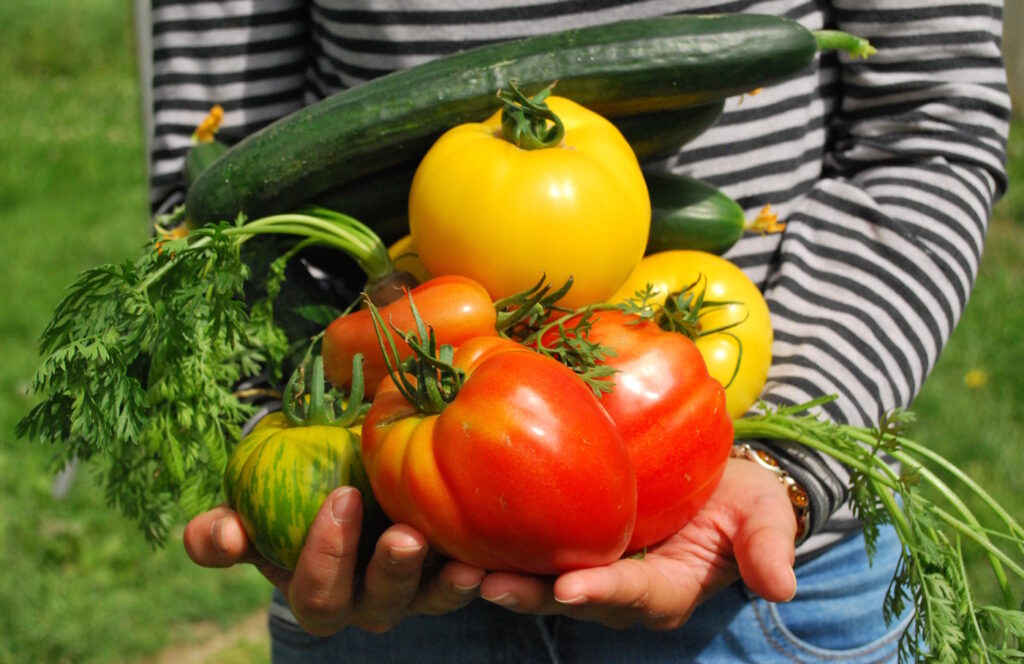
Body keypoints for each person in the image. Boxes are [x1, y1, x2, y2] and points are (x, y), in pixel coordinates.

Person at [146, 1, 1011, 661]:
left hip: (765, 574)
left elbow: (930, 127)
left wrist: (790, 459)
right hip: (384, 547)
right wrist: (280, 441)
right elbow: (215, 202)